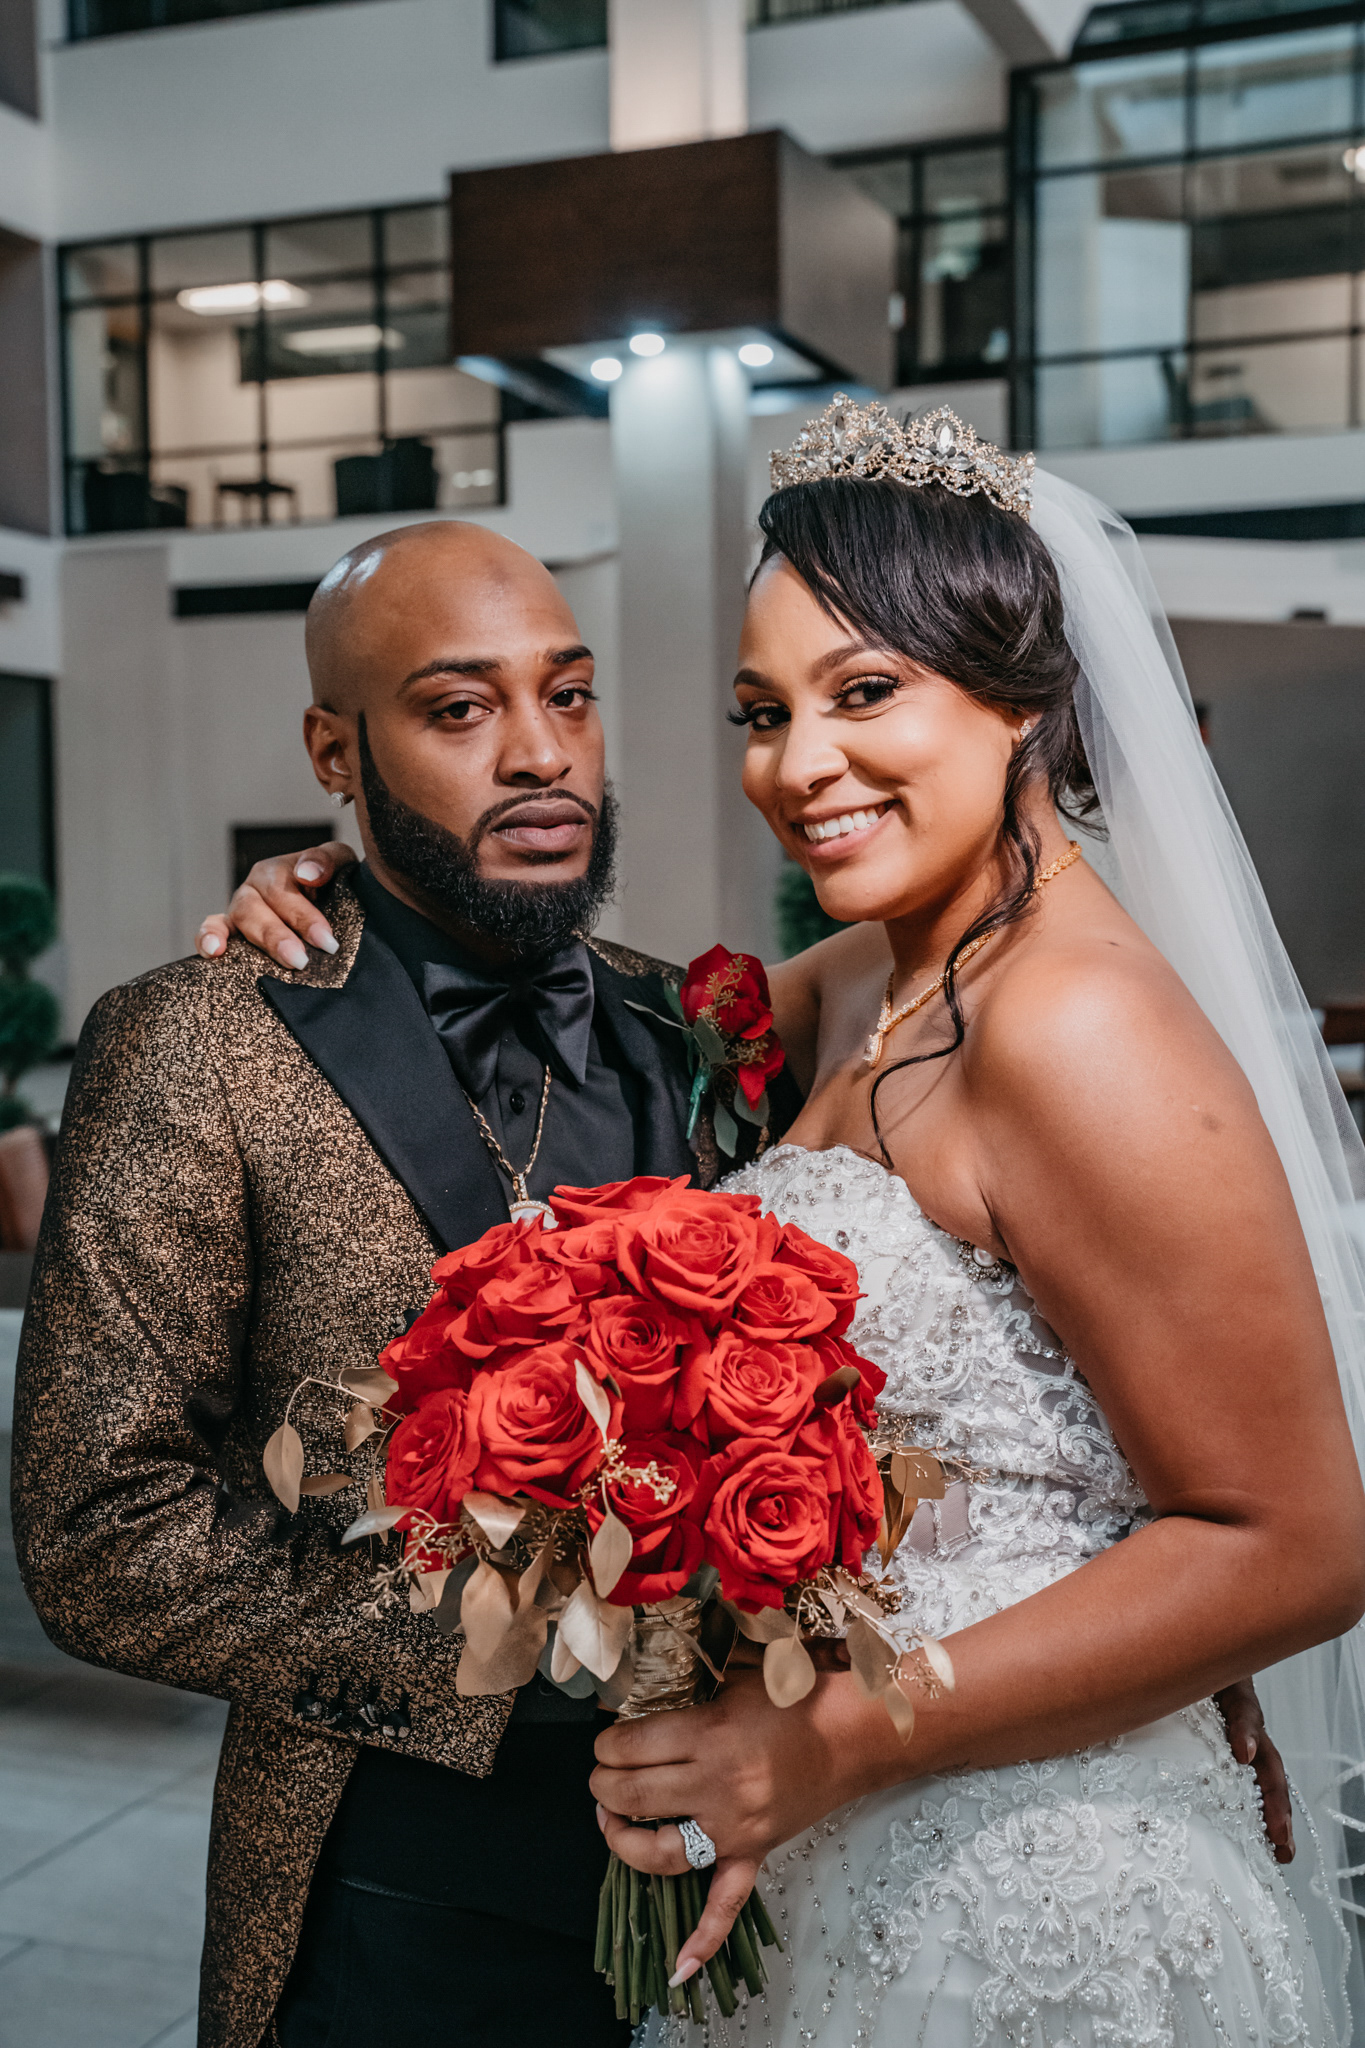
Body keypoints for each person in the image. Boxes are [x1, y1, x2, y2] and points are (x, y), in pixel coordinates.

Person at [205, 411, 1349, 2046]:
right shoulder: (874, 983)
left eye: (863, 692)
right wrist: (366, 888)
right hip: (830, 1863)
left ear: (1023, 696)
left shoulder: (1076, 1025)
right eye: (762, 713)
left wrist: (829, 1744)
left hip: (1024, 1883)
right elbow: (615, 1001)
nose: (797, 766)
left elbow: (1295, 1546)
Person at [11, 520, 792, 2048]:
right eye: (457, 709)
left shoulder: (700, 1029)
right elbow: (100, 1533)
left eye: (568, 696)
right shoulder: (192, 1044)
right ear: (335, 750)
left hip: (739, 1878)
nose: (539, 753)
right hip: (387, 1887)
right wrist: (522, 1647)